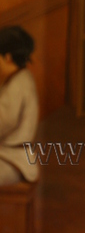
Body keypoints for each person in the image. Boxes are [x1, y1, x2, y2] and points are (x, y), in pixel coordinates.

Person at [0, 25, 39, 185]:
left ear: (8, 57)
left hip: (14, 161)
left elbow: (4, 122)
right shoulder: (18, 79)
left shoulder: (18, 85)